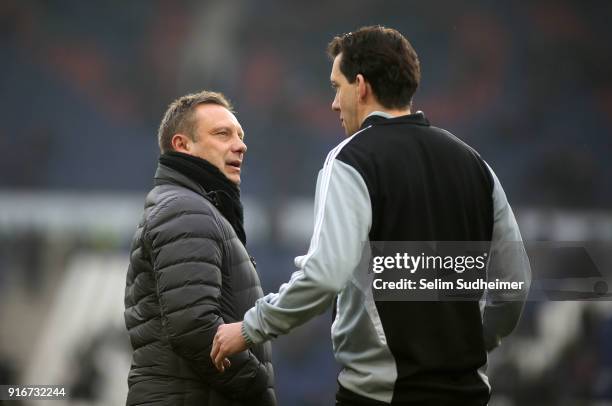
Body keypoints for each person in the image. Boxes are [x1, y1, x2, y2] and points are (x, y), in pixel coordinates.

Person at [211, 26, 530, 405]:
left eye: (336, 86)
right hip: (469, 394)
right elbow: (516, 282)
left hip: (383, 396)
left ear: (360, 86)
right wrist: (474, 344)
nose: (334, 103)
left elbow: (324, 275)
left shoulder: (351, 160)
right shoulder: (474, 164)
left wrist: (248, 329)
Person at [124, 91, 276, 406]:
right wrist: (259, 389)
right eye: (222, 134)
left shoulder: (198, 208)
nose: (240, 144)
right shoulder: (185, 209)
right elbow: (195, 328)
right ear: (182, 145)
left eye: (240, 135)